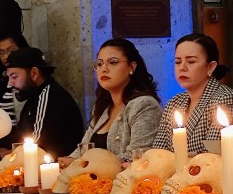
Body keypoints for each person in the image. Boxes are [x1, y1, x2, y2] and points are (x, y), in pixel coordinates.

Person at [59, 38, 161, 167]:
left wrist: (80, 163)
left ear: (132, 67)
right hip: (92, 178)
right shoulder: (102, 106)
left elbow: (136, 156)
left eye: (112, 62)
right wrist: (66, 161)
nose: (104, 69)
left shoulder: (144, 105)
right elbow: (83, 150)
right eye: (99, 64)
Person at [153, 33, 233, 156]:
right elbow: (158, 153)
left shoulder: (224, 99)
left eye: (191, 61)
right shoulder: (174, 103)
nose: (182, 68)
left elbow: (211, 155)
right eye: (178, 62)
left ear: (210, 67)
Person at [6, 47, 84, 159]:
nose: (10, 83)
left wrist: (8, 155)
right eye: (9, 77)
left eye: (14, 76)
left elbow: (35, 149)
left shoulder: (50, 97)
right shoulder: (35, 97)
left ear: (34, 73)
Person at [0, 32, 28, 124]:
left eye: (11, 51)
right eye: (1, 52)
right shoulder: (2, 78)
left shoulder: (29, 78)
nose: (6, 57)